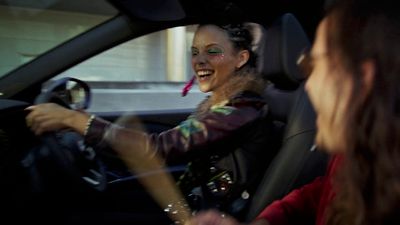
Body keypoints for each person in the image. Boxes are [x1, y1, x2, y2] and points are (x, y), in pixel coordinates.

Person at [25, 22, 277, 215]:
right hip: (189, 202)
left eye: (212, 52)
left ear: (241, 58)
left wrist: (74, 120)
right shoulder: (219, 104)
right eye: (195, 52)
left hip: (209, 215)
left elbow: (159, 148)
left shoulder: (244, 108)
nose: (199, 60)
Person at [187, 0, 400, 225]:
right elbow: (321, 194)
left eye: (315, 66)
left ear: (361, 81)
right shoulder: (351, 155)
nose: (309, 85)